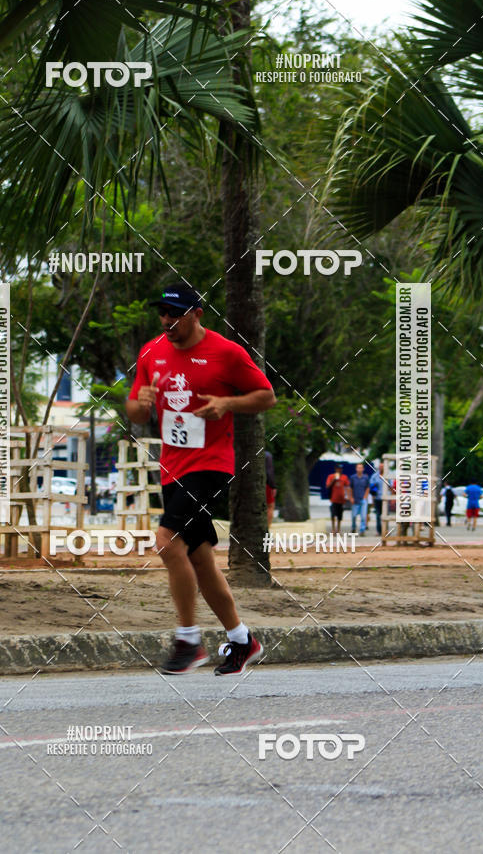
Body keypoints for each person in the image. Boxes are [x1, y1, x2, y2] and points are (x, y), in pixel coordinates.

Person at [126, 281, 276, 675]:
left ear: (196, 314)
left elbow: (266, 395)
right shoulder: (151, 352)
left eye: (175, 314)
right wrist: (139, 406)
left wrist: (228, 403)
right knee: (199, 557)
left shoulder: (226, 352)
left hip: (211, 465)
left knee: (166, 539)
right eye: (162, 313)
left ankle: (189, 640)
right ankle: (243, 640)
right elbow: (137, 411)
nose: (167, 321)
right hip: (172, 466)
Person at [326, 463, 350, 533]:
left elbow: (347, 486)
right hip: (333, 499)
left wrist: (348, 496)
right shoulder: (331, 476)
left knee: (340, 516)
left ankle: (338, 530)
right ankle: (333, 529)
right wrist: (334, 479)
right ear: (335, 469)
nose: (339, 470)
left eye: (341, 469)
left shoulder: (344, 477)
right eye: (338, 469)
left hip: (341, 500)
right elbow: (328, 486)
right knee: (333, 515)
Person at [350, 462, 370, 536]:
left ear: (363, 469)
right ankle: (353, 527)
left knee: (363, 516)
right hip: (355, 499)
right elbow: (350, 488)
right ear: (356, 469)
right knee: (354, 516)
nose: (359, 469)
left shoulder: (366, 477)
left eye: (361, 467)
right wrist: (351, 497)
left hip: (363, 499)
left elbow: (368, 488)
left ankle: (362, 530)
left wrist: (365, 497)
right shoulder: (353, 477)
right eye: (358, 467)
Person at [369, 462, 385, 535]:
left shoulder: (388, 476)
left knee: (385, 515)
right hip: (377, 498)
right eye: (380, 466)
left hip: (385, 499)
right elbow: (372, 488)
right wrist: (373, 499)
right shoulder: (374, 476)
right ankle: (379, 531)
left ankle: (385, 530)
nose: (381, 468)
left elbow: (390, 487)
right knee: (378, 515)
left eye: (382, 466)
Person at [265, 450, 277, 528]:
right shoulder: (267, 455)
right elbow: (269, 472)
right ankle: (267, 528)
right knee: (270, 506)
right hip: (266, 484)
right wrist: (273, 486)